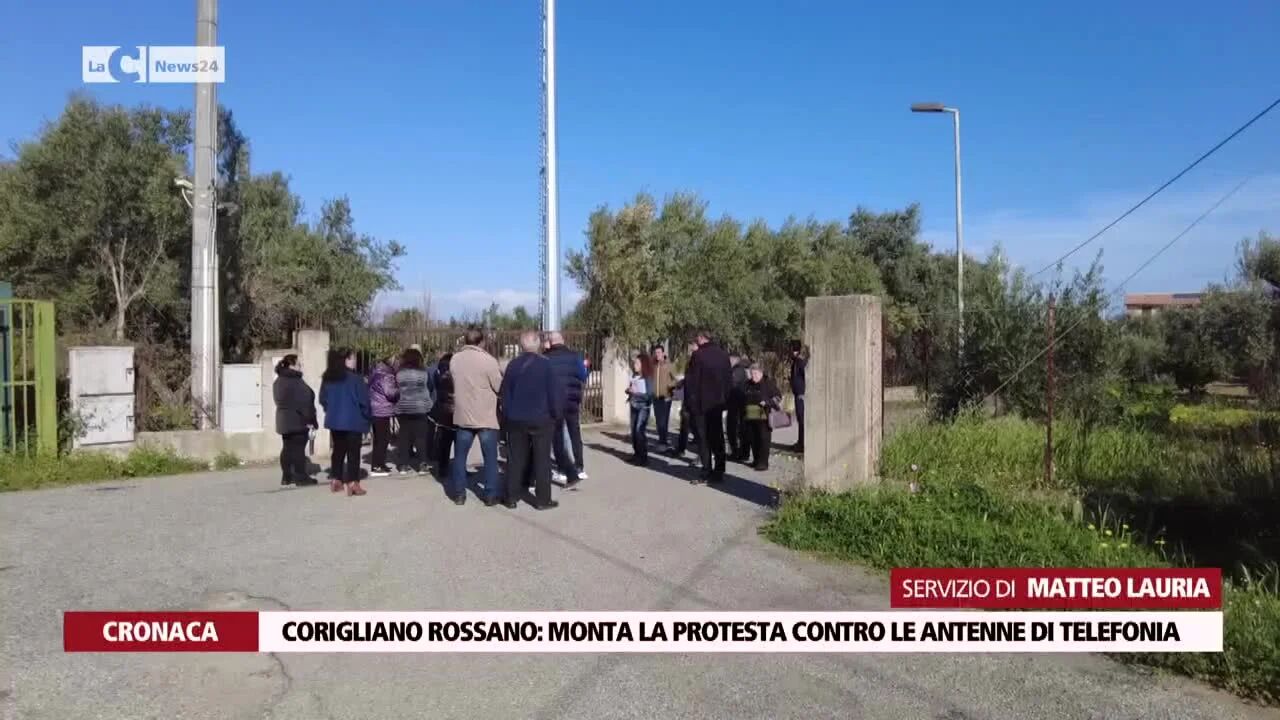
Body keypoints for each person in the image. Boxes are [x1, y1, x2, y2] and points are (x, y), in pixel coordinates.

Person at [499, 331, 562, 510]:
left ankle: (511, 497)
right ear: (538, 345)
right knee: (542, 460)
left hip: (516, 419)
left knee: (515, 459)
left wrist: (507, 416)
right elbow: (554, 394)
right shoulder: (546, 366)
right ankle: (543, 500)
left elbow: (505, 394)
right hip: (541, 419)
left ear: (521, 346)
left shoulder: (512, 365)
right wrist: (556, 415)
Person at [448, 327, 503, 506]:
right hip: (485, 414)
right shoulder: (489, 361)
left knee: (460, 457)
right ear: (482, 341)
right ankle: (490, 494)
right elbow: (499, 386)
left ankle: (459, 494)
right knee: (490, 458)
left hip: (463, 414)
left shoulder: (455, 360)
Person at [319, 348, 371, 496]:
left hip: (335, 421)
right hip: (353, 420)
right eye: (352, 358)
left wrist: (332, 409)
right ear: (345, 360)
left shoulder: (328, 378)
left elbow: (323, 400)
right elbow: (364, 402)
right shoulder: (355, 379)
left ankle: (336, 479)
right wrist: (367, 417)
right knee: (353, 452)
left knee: (338, 450)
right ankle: (353, 482)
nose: (355, 361)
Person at [684, 330, 732, 483]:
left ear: (701, 338)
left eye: (697, 338)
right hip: (717, 405)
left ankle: (706, 470)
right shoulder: (724, 355)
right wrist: (725, 401)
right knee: (717, 437)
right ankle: (719, 471)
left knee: (704, 439)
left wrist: (689, 404)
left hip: (701, 405)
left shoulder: (698, 356)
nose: (696, 341)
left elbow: (691, 383)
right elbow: (728, 381)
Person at [544, 331, 587, 487]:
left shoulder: (545, 358)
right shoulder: (575, 356)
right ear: (563, 340)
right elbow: (583, 375)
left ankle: (563, 470)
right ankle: (580, 466)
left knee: (558, 437)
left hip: (554, 403)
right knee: (575, 433)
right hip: (572, 401)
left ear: (551, 342)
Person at [273, 354, 317, 486]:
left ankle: (287, 476)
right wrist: (311, 420)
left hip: (283, 420)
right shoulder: (295, 381)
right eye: (298, 364)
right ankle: (301, 476)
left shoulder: (279, 380)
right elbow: (304, 403)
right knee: (298, 449)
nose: (300, 367)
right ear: (291, 365)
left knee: (287, 448)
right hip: (298, 420)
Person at [395, 347, 433, 475]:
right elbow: (426, 390)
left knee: (404, 437)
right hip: (419, 407)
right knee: (421, 437)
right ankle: (422, 464)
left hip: (404, 407)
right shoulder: (423, 373)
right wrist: (429, 405)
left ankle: (402, 465)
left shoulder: (399, 373)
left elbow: (398, 389)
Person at [741, 362, 782, 471]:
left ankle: (763, 462)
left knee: (763, 439)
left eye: (755, 374)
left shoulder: (768, 384)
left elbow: (778, 397)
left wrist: (767, 402)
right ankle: (756, 460)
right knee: (753, 438)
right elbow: (742, 396)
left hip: (764, 414)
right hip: (751, 413)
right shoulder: (747, 384)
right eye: (751, 374)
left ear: (761, 373)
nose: (753, 376)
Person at [368, 353, 399, 476]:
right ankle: (377, 466)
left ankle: (379, 463)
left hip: (376, 408)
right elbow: (390, 393)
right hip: (382, 410)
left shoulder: (377, 372)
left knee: (379, 439)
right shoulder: (387, 375)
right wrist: (401, 390)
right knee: (383, 439)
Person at [429, 351, 456, 478]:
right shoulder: (454, 376)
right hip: (455, 411)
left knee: (444, 442)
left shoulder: (438, 373)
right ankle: (458, 468)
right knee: (458, 442)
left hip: (443, 410)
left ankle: (442, 468)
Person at [625, 353, 655, 465]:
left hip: (643, 407)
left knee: (639, 431)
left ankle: (643, 457)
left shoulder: (648, 378)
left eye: (637, 363)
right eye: (634, 363)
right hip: (633, 405)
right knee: (633, 432)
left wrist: (636, 393)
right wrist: (628, 390)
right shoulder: (634, 376)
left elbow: (649, 395)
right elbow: (632, 389)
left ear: (643, 364)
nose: (635, 365)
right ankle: (637, 454)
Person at [650, 345, 678, 449]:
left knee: (663, 420)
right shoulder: (654, 365)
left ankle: (663, 442)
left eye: (659, 352)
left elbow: (675, 380)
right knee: (658, 420)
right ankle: (661, 441)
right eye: (655, 353)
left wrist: (669, 387)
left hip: (666, 397)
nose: (657, 355)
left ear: (663, 353)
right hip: (655, 397)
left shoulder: (669, 365)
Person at [726, 353, 751, 461]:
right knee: (740, 429)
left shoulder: (737, 371)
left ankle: (737, 452)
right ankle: (741, 452)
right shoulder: (739, 370)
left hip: (735, 404)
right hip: (738, 403)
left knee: (734, 428)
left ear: (733, 360)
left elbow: (730, 385)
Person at [789, 340, 807, 453]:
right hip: (797, 394)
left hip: (801, 395)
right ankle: (800, 442)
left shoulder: (800, 362)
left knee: (802, 420)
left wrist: (804, 393)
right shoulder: (795, 362)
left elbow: (806, 378)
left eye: (791, 349)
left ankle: (802, 444)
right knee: (800, 419)